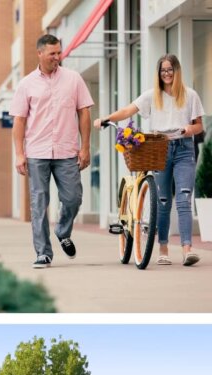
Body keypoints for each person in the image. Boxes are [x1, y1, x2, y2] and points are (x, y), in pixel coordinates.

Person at [95, 54, 205, 266]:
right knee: (163, 201)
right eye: (163, 70)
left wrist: (187, 129)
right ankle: (163, 249)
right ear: (158, 73)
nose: (166, 73)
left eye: (170, 69)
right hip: (159, 149)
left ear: (177, 71)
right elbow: (128, 110)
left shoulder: (190, 95)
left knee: (183, 199)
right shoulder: (151, 96)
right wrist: (106, 119)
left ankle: (187, 250)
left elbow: (199, 125)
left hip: (184, 149)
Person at [10, 34, 94, 269]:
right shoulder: (26, 83)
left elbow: (84, 113)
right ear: (40, 53)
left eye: (59, 52)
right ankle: (43, 252)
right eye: (53, 53)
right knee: (39, 203)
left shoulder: (73, 79)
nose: (58, 57)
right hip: (37, 151)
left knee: (73, 198)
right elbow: (19, 120)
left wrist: (85, 147)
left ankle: (62, 231)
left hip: (67, 151)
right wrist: (19, 153)